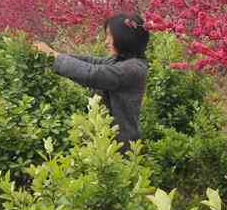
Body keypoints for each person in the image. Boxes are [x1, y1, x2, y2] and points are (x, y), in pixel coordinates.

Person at [34, 13, 150, 150]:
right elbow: (91, 61)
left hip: (120, 146)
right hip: (104, 140)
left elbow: (92, 74)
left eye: (109, 36)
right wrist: (54, 54)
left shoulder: (133, 68)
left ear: (125, 37)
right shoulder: (118, 61)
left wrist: (54, 56)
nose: (106, 41)